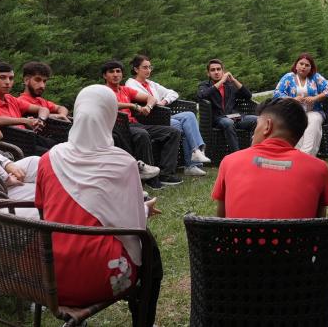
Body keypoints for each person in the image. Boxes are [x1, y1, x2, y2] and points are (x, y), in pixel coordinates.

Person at [35, 85, 162, 326]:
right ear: (110, 115)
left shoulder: (49, 158)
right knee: (150, 252)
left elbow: (43, 211)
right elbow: (133, 225)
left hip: (48, 278)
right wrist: (145, 209)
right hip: (101, 279)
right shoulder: (122, 163)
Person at [211, 98, 328, 219]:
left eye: (257, 125)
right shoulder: (319, 169)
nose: (253, 134)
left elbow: (221, 221)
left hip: (239, 233)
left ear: (268, 126)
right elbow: (319, 223)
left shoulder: (230, 162)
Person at [126, 54, 210, 177]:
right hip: (147, 119)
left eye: (150, 67)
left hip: (161, 116)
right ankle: (191, 164)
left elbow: (173, 93)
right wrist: (154, 102)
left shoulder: (151, 84)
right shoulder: (131, 84)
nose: (148, 70)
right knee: (181, 125)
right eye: (145, 67)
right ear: (136, 69)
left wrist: (164, 101)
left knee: (189, 115)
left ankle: (197, 151)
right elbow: (145, 100)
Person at [102, 60, 181, 188]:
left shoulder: (125, 90)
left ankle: (166, 174)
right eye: (111, 72)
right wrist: (132, 105)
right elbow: (111, 104)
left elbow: (151, 98)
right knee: (142, 134)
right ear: (105, 76)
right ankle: (151, 179)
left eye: (118, 71)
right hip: (117, 127)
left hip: (134, 125)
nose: (115, 74)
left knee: (173, 132)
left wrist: (148, 107)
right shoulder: (103, 91)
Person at [0, 62, 57, 155]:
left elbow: (43, 109)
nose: (7, 82)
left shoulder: (11, 99)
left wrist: (40, 120)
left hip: (28, 138)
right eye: (2, 77)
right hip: (12, 147)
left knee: (59, 147)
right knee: (53, 155)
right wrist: (24, 121)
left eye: (11, 78)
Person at [273, 53, 328, 156]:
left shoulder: (316, 77)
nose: (303, 67)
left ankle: (305, 155)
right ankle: (298, 155)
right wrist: (293, 99)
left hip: (313, 111)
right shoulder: (288, 77)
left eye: (307, 65)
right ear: (296, 65)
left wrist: (315, 98)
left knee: (314, 121)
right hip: (294, 112)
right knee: (296, 123)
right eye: (301, 64)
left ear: (311, 68)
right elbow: (277, 93)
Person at [197, 58, 258, 153]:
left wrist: (234, 80)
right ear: (208, 73)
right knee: (228, 122)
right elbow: (202, 95)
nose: (216, 72)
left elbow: (248, 95)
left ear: (223, 71)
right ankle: (236, 155)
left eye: (218, 69)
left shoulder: (230, 85)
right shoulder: (205, 85)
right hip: (218, 119)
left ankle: (253, 151)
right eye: (213, 70)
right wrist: (221, 82)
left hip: (234, 117)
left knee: (257, 120)